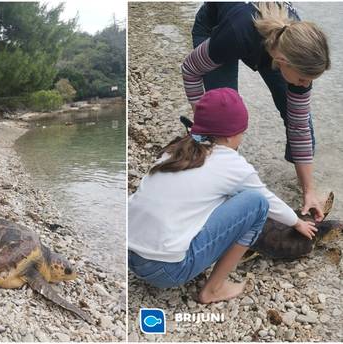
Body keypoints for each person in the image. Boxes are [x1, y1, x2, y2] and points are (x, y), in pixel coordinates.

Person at [128, 88, 317, 303]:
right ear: (232, 134)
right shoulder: (232, 163)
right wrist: (297, 223)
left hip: (131, 256)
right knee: (256, 203)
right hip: (167, 271)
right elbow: (268, 200)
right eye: (242, 131)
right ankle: (213, 289)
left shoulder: (175, 150)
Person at [181, 2, 330, 222]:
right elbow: (190, 69)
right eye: (302, 79)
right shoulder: (234, 34)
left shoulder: (299, 44)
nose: (304, 84)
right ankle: (217, 183)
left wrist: (310, 190)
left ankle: (302, 186)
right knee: (223, 121)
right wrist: (204, 118)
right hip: (218, 27)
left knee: (299, 117)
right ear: (280, 62)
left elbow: (298, 124)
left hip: (262, 39)